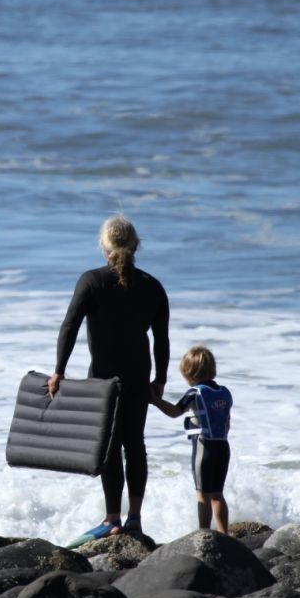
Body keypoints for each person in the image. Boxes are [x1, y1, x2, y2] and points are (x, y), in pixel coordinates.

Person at [49, 215, 170, 540]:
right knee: (136, 444)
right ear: (136, 245)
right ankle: (134, 520)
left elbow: (69, 326)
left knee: (110, 448)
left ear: (104, 246)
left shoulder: (91, 281)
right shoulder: (153, 287)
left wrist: (59, 369)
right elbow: (161, 339)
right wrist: (160, 378)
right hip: (138, 376)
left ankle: (112, 518)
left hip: (103, 380)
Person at [150, 345, 232, 534]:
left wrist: (155, 400)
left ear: (189, 373)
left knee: (203, 495)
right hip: (223, 447)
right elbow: (227, 422)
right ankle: (224, 533)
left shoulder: (195, 393)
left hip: (204, 447)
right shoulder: (225, 392)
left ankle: (204, 533)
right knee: (218, 495)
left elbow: (175, 412)